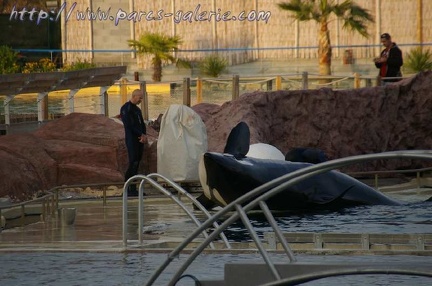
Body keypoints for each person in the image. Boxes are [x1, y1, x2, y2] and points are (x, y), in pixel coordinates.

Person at [120, 89, 147, 196]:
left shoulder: (137, 110)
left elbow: (142, 124)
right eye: (140, 98)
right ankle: (127, 189)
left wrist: (144, 135)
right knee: (133, 162)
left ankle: (133, 188)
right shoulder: (126, 108)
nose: (141, 100)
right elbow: (129, 125)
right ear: (134, 96)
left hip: (140, 139)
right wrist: (139, 134)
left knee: (137, 163)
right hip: (132, 139)